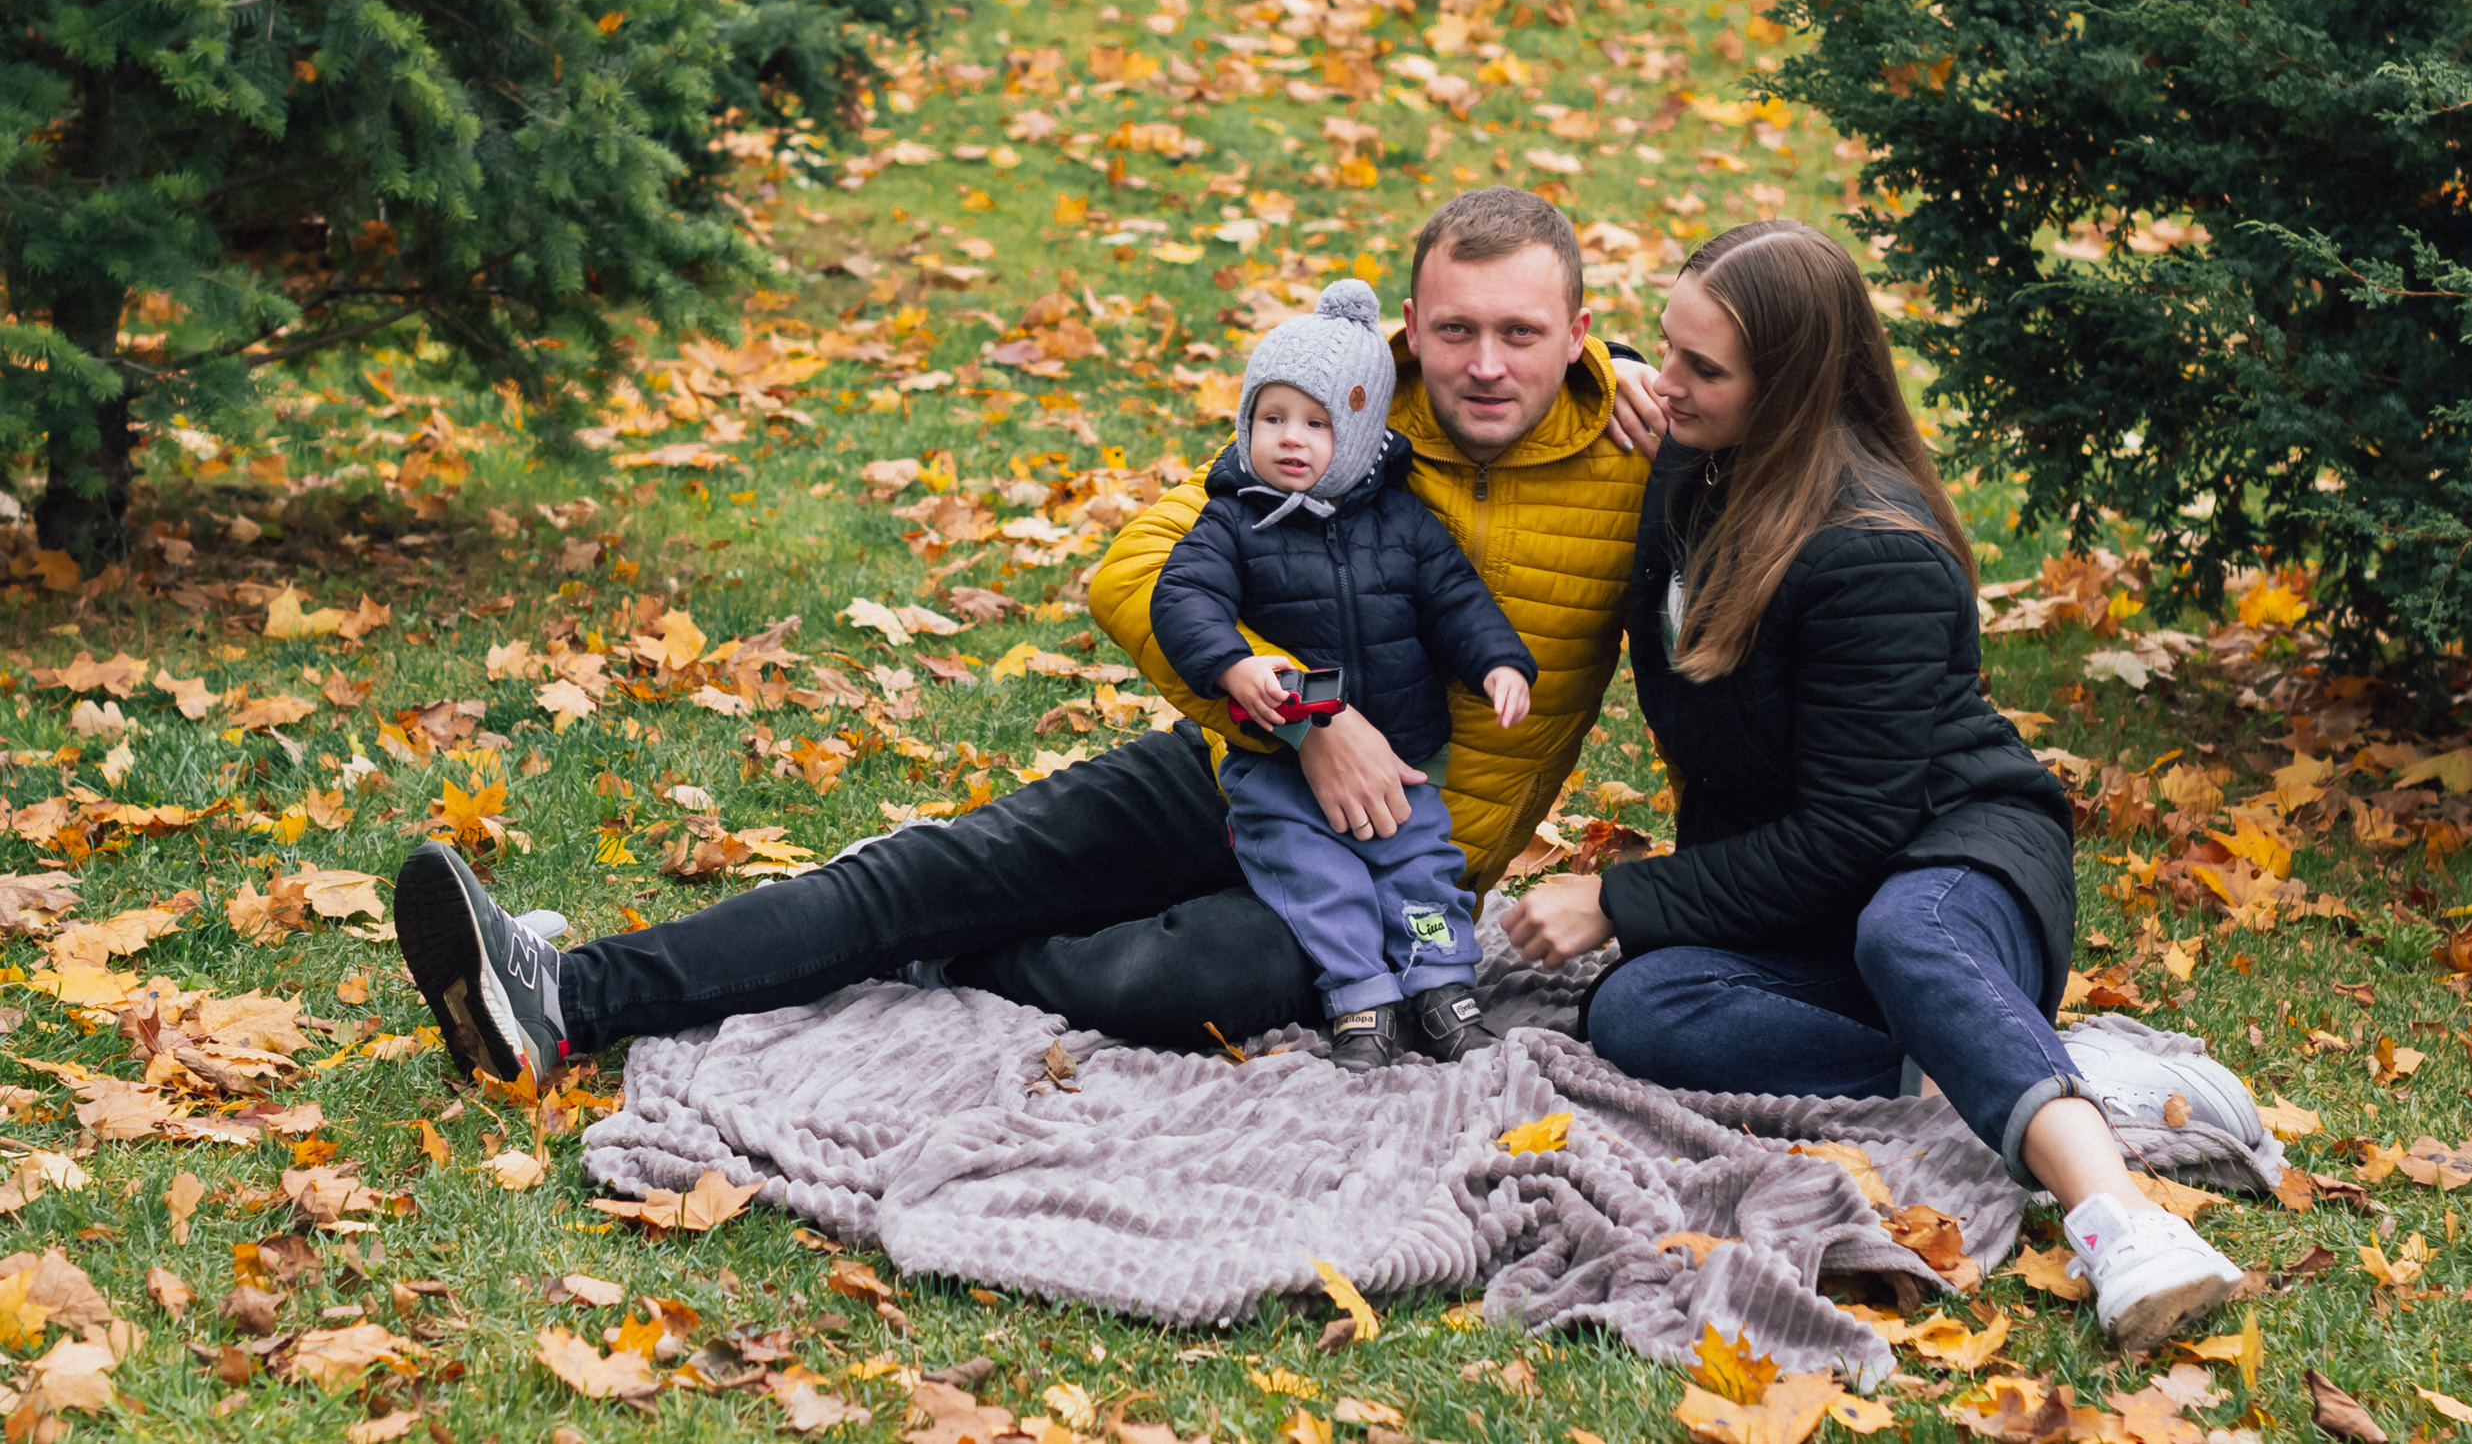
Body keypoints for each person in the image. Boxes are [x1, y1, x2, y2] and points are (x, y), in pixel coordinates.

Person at [393, 186, 1659, 1082]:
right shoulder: (1339, 417)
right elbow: (1138, 566)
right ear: (1410, 331)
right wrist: (1299, 713)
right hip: (1238, 763)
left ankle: (959, 954)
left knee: (1177, 984)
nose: (1483, 366)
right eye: (1453, 332)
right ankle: (564, 1001)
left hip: (1390, 875)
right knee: (920, 872)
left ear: (1581, 336)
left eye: (1519, 335)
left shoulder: (1643, 461)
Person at [1498, 219, 2258, 1353]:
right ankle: (2019, 1065)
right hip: (1808, 887)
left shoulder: (1871, 550)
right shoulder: (1695, 460)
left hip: (1945, 852)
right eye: (1667, 350)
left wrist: (1617, 898)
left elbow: (1855, 831)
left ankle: (2120, 1220)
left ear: (1792, 386)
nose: (1671, 385)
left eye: (1702, 368)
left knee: (1908, 938)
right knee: (1636, 1009)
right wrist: (1598, 379)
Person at [1153, 278, 1537, 1070]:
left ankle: (1441, 984)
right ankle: (1360, 993)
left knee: (1422, 873)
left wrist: (1500, 662)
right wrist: (1234, 663)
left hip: (1401, 760)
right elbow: (1183, 595)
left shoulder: (1404, 525)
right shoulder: (1234, 517)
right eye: (1272, 418)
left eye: (1318, 424)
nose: (1291, 439)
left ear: (1360, 435)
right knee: (1318, 878)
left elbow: (1457, 601)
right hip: (1280, 769)